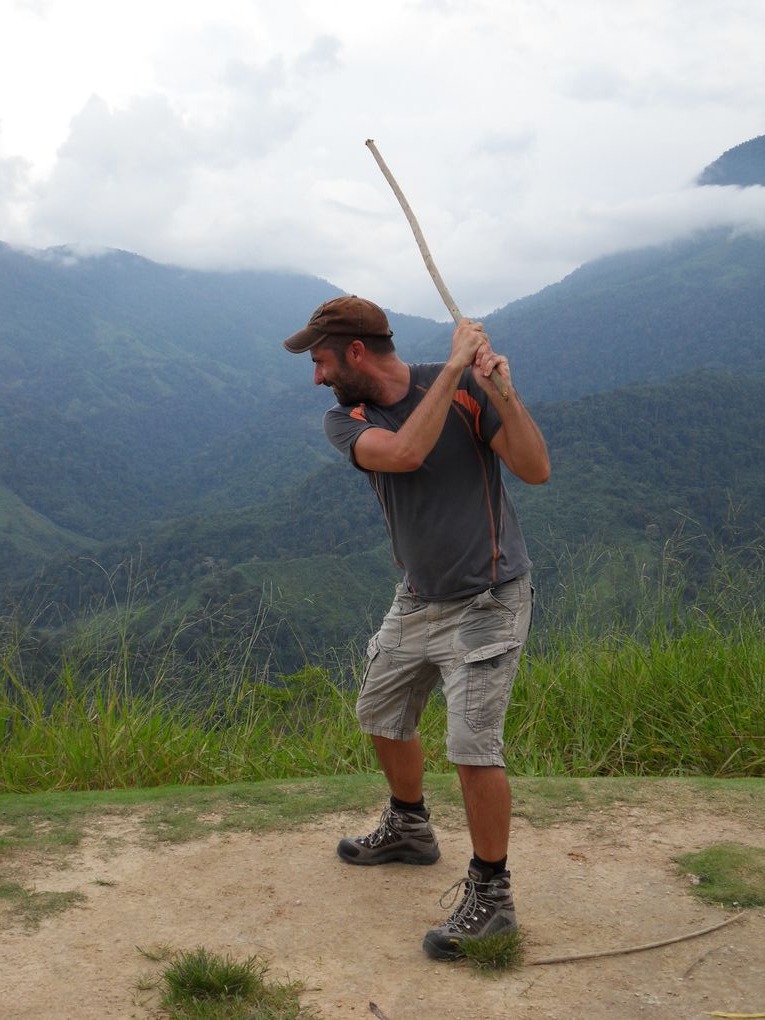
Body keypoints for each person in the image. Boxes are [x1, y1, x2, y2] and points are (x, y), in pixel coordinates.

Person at [283, 295, 550, 960]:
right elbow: (402, 452)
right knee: (380, 711)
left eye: (319, 360)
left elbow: (534, 469)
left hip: (489, 597)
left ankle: (491, 895)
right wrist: (457, 369)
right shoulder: (347, 418)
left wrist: (503, 395)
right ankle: (409, 827)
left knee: (471, 746)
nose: (314, 376)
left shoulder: (462, 389)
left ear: (352, 352)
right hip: (419, 596)